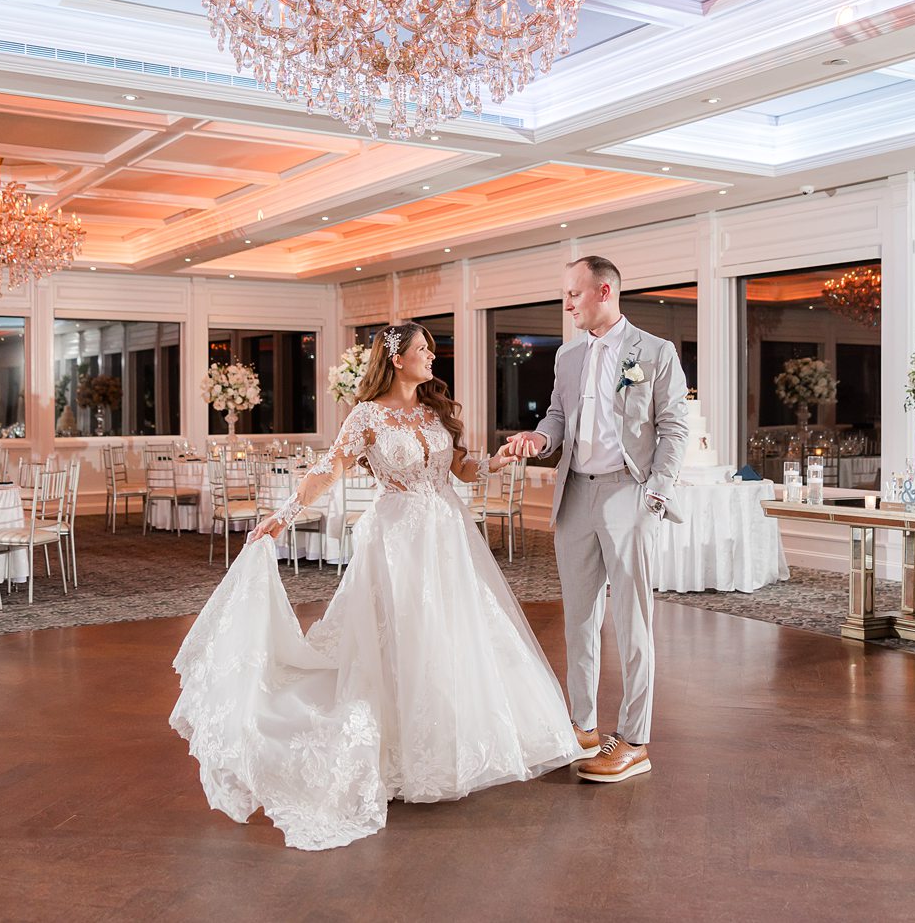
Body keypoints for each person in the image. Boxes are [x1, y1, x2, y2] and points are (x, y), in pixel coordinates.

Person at [170, 322, 586, 851]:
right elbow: (329, 468)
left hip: (449, 540)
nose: (432, 358)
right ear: (395, 360)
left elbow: (461, 468)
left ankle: (452, 748)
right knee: (401, 639)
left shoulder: (435, 412)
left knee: (456, 637)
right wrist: (285, 514)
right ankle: (397, 754)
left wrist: (498, 459)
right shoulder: (367, 416)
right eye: (422, 350)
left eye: (432, 350)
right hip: (397, 542)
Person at [502, 255, 688, 783]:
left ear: (604, 291)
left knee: (632, 624)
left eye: (573, 295)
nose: (566, 305)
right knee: (579, 620)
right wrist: (538, 439)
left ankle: (634, 740)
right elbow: (558, 418)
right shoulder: (567, 356)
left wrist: (656, 493)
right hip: (575, 493)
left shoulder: (655, 352)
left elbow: (674, 428)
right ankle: (582, 728)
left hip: (628, 493)